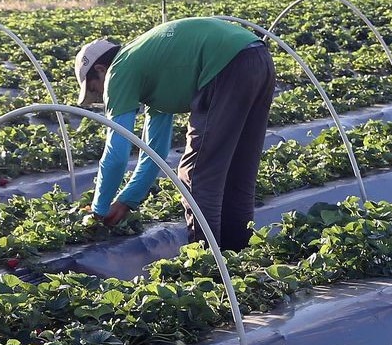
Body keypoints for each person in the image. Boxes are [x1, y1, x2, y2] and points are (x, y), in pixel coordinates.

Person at [74, 17, 276, 251]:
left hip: (225, 64)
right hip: (257, 56)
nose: (100, 96)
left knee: (196, 174)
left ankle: (207, 262)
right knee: (238, 170)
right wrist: (127, 200)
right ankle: (236, 255)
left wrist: (98, 210)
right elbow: (155, 152)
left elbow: (117, 152)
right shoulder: (148, 67)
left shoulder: (120, 70)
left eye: (94, 88)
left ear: (100, 70)